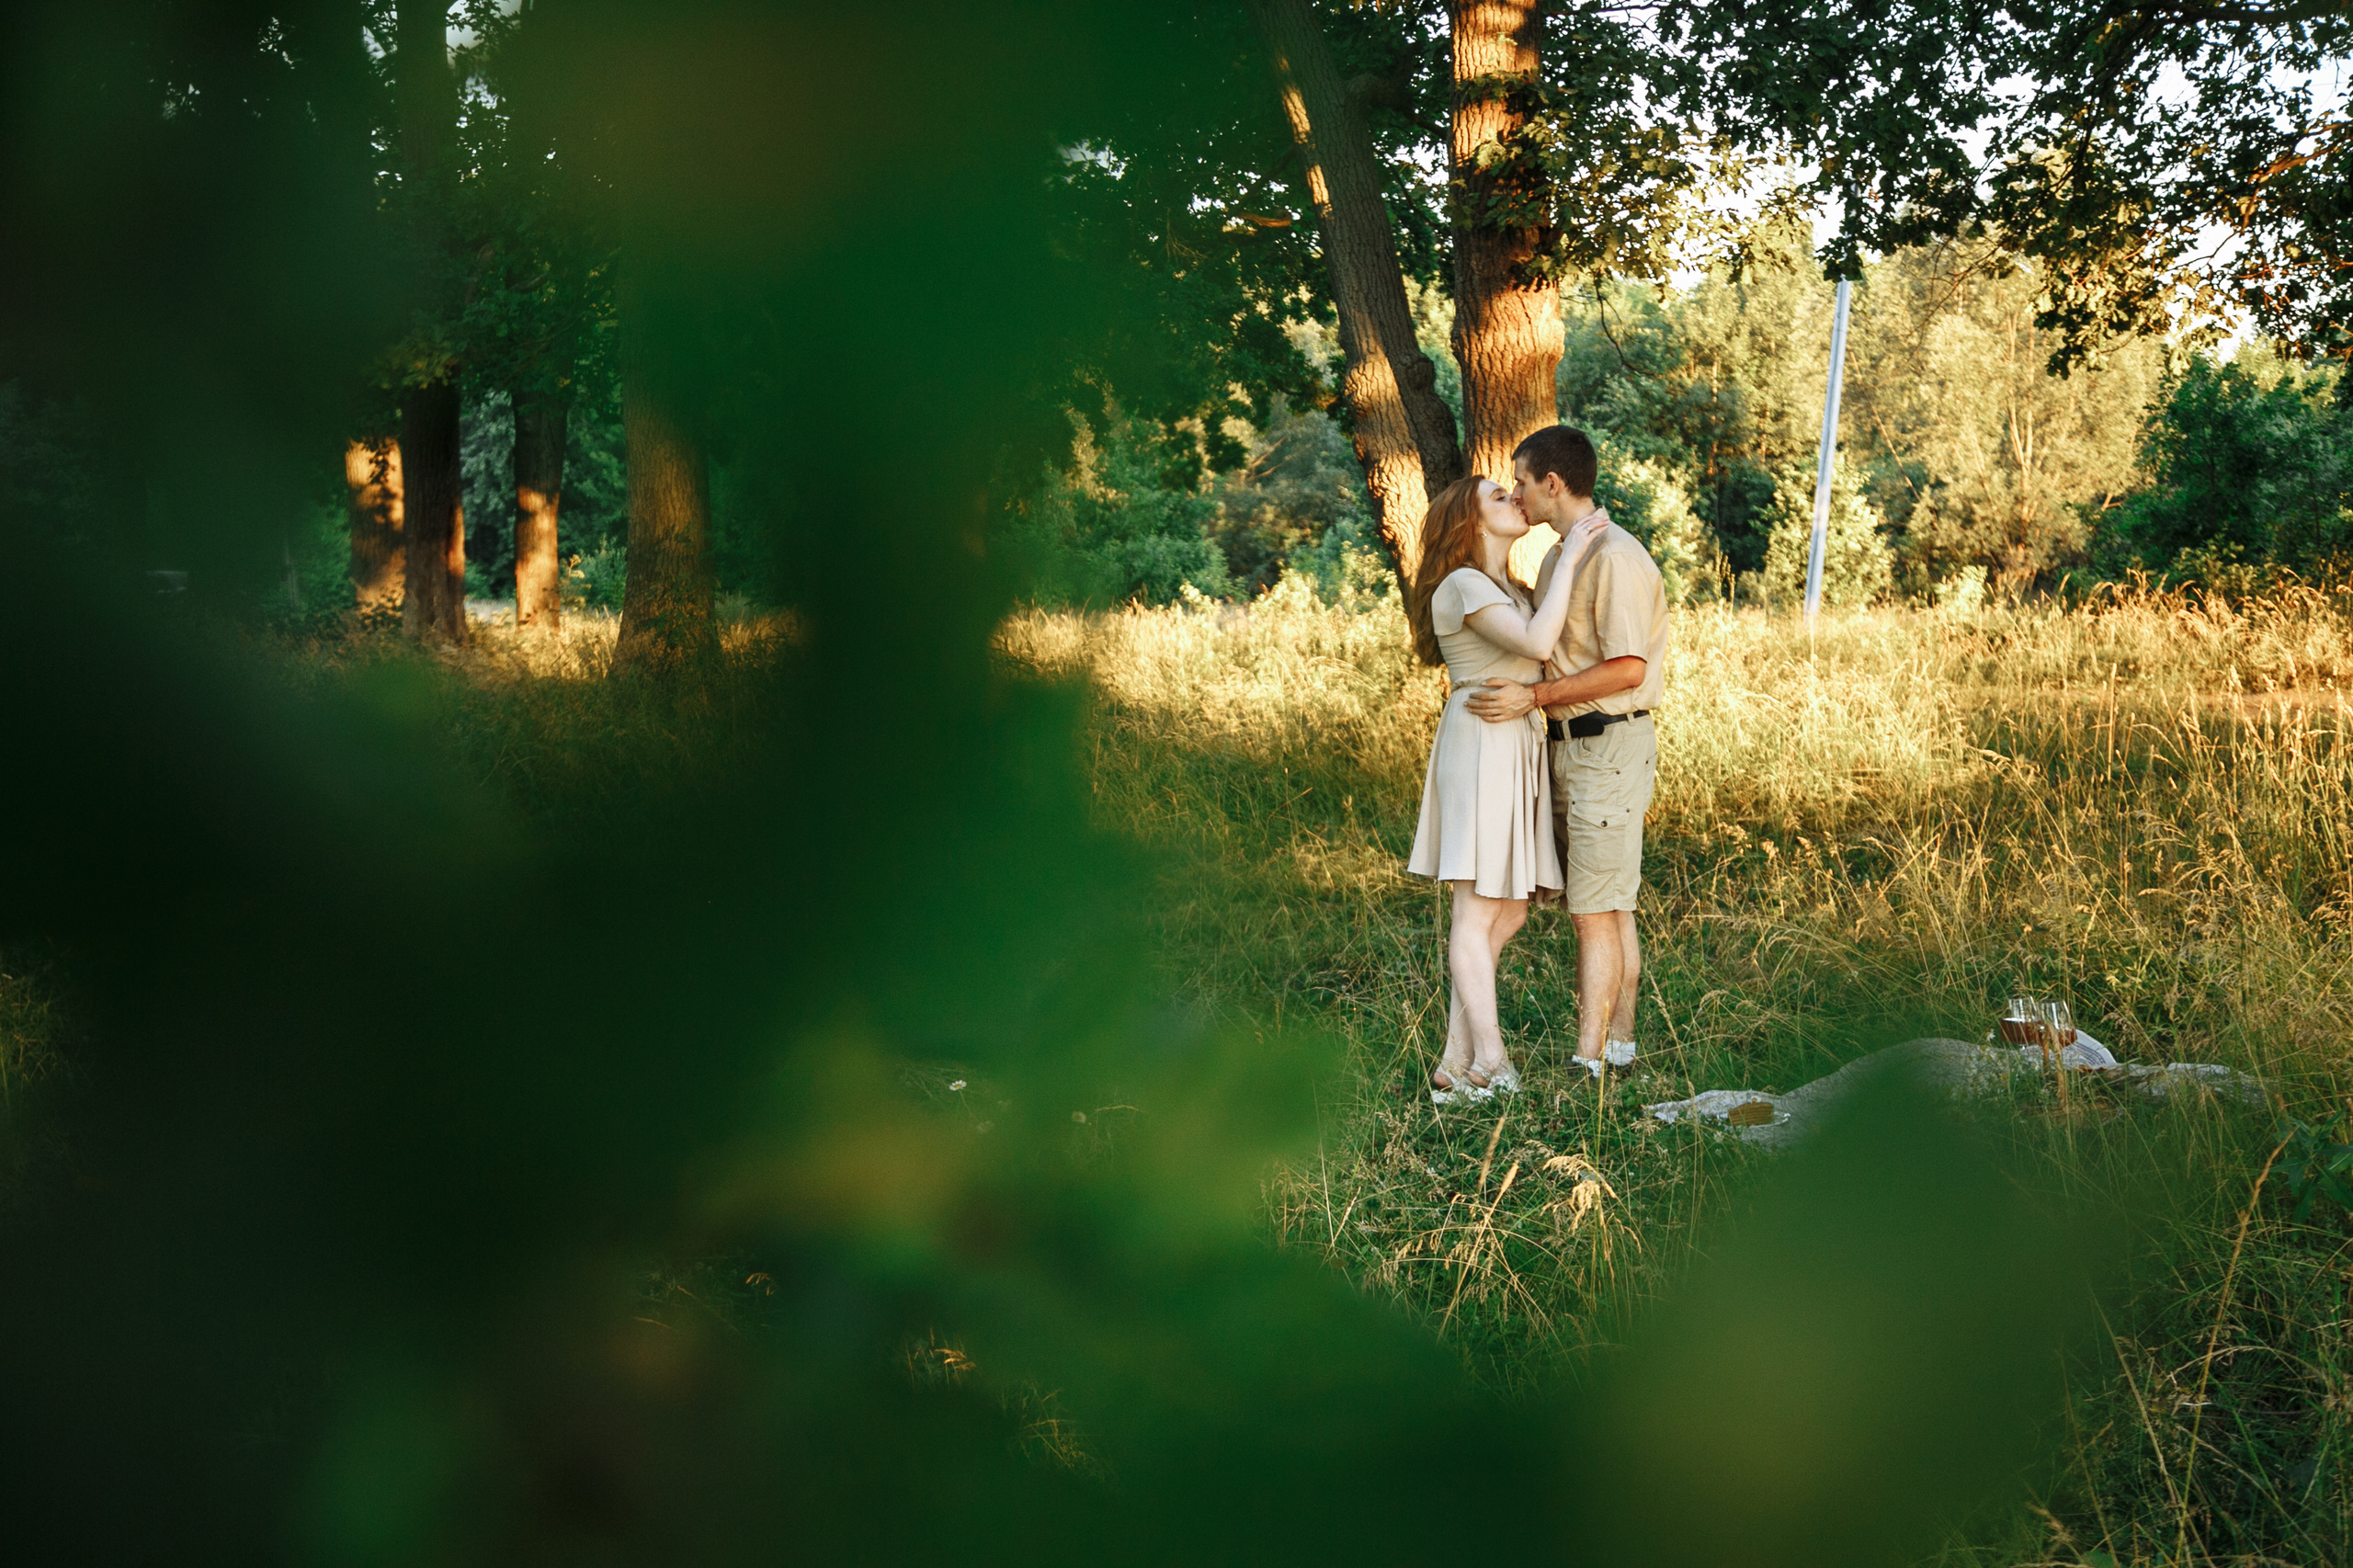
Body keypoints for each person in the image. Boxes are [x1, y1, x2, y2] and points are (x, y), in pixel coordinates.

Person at [1467, 426, 1669, 1081]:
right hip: (1571, 750)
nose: (1518, 493)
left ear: (1553, 483)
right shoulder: (1562, 558)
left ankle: (1588, 1068)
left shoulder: (1614, 556)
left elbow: (1629, 668)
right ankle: (1621, 1052)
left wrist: (1537, 696)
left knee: (1592, 914)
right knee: (1607, 904)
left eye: (1522, 481)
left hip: (1608, 744)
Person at [1405, 474, 1609, 1102]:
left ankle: (1455, 1059)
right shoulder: (1462, 584)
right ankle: (1490, 1060)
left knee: (1512, 907)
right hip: (1479, 741)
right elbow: (1535, 644)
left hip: (1514, 741)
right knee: (1475, 906)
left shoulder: (1508, 587)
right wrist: (1573, 551)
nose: (1514, 500)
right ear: (1468, 522)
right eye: (1499, 497)